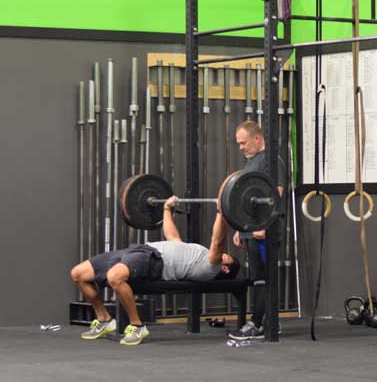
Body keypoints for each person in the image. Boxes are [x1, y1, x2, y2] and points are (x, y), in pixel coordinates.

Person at [70, 196, 240, 346]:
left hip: (154, 260)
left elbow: (218, 240)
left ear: (224, 268)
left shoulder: (211, 267)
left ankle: (137, 326)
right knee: (78, 274)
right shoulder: (197, 251)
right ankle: (104, 319)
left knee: (115, 276)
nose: (224, 255)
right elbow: (173, 238)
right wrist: (167, 209)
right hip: (140, 250)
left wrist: (221, 212)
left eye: (227, 257)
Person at [223, 120, 286, 341]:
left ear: (257, 138)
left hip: (264, 234)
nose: (241, 147)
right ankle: (266, 322)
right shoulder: (251, 164)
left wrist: (263, 227)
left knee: (263, 278)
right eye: (238, 144)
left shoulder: (271, 162)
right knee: (257, 278)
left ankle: (260, 324)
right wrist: (240, 228)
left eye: (243, 142)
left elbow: (274, 196)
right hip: (251, 232)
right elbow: (245, 200)